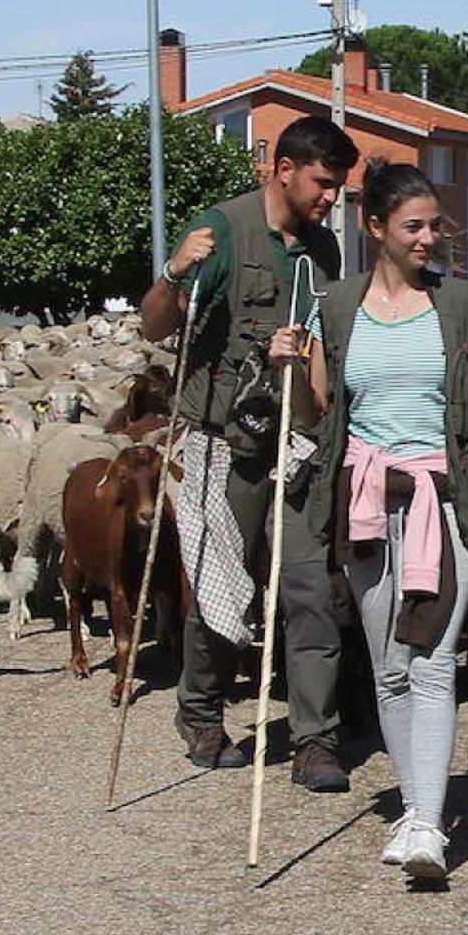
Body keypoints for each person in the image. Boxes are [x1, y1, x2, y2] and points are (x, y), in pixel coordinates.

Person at [273, 163, 468, 883]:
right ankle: (415, 805)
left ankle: (426, 822)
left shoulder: (459, 303)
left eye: (435, 225)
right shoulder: (335, 309)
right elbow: (316, 414)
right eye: (414, 227)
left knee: (430, 658)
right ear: (376, 231)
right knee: (390, 665)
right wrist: (292, 368)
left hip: (444, 494)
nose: (430, 238)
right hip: (363, 498)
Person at [139, 114, 357, 793]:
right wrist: (173, 274)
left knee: (308, 587)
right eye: (323, 183)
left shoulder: (323, 251)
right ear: (283, 169)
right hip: (222, 442)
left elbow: (321, 340)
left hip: (294, 437)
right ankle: (201, 711)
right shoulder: (224, 230)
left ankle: (317, 738)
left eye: (339, 187)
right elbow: (156, 325)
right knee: (223, 585)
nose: (330, 198)